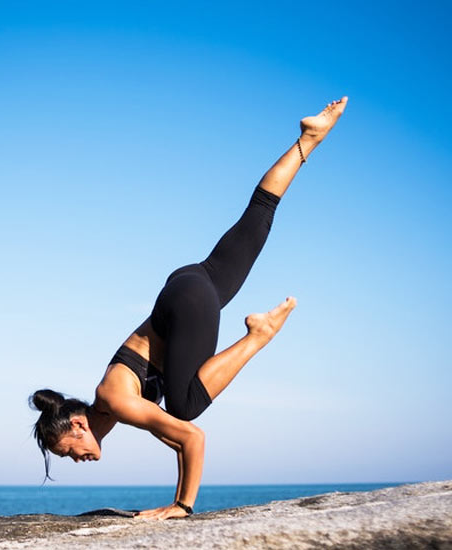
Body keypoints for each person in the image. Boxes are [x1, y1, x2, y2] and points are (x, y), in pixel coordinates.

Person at [29, 97, 349, 520]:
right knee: (257, 218)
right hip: (188, 285)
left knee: (184, 407)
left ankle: (258, 335)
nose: (76, 460)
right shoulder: (111, 406)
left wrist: (181, 505)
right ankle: (309, 138)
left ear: (77, 426)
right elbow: (174, 440)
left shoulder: (115, 400)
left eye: (69, 452)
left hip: (187, 304)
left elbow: (191, 437)